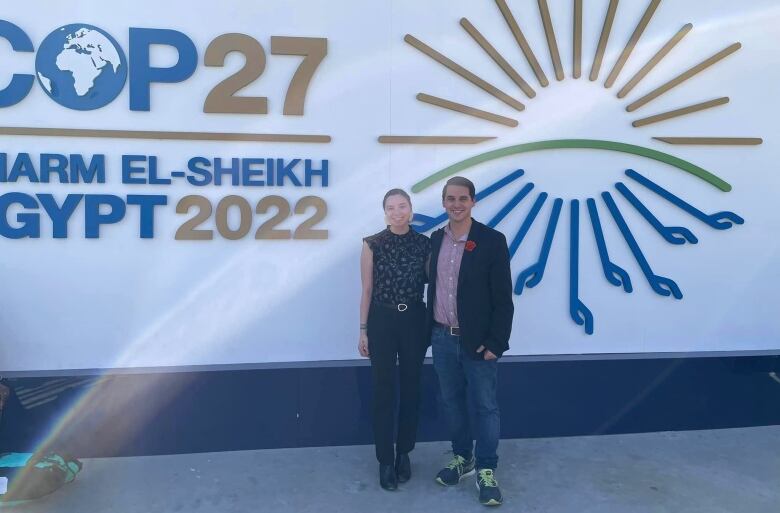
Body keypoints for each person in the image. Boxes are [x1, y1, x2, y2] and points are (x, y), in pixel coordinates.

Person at [427, 176, 514, 506]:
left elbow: (503, 299)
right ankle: (463, 458)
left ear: (473, 202)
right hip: (442, 338)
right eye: (451, 199)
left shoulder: (491, 241)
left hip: (478, 343)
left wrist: (497, 342)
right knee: (452, 402)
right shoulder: (436, 240)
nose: (456, 204)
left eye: (463, 199)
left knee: (485, 406)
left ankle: (487, 469)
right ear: (444, 203)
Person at [359, 189, 430, 491]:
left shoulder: (425, 244)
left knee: (412, 388)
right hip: (382, 320)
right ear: (384, 211)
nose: (397, 212)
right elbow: (366, 290)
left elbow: (436, 284)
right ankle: (385, 460)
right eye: (391, 207)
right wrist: (363, 329)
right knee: (383, 390)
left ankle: (404, 453)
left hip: (414, 319)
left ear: (411, 210)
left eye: (402, 206)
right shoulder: (372, 244)